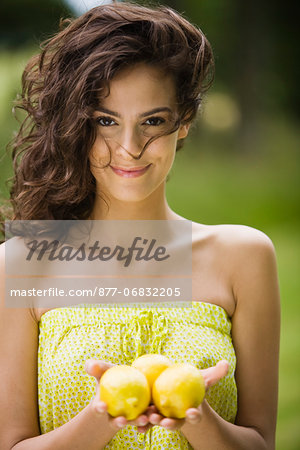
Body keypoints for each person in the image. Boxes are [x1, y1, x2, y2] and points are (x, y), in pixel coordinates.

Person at [0, 1, 280, 449]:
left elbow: (261, 443)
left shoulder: (243, 256)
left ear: (184, 122)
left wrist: (195, 417)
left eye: (152, 121)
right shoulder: (24, 257)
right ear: (78, 125)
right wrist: (103, 415)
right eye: (106, 122)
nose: (129, 147)